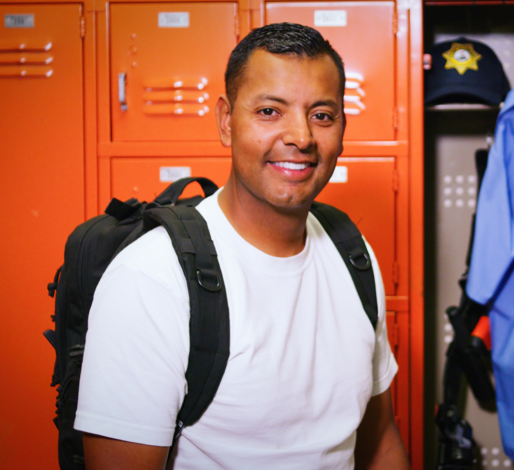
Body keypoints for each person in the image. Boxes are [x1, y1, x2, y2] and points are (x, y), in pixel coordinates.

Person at [75, 23, 410, 470]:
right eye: (270, 111)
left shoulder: (353, 254)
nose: (301, 137)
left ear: (342, 128)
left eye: (322, 115)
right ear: (226, 122)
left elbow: (379, 438)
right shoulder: (151, 277)